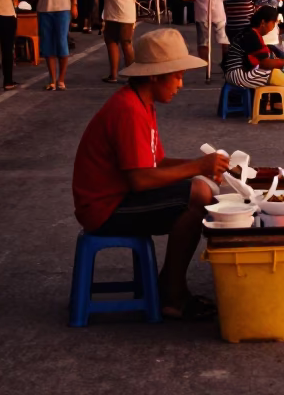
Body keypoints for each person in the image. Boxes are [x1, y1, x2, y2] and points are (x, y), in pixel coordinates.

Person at [72, 28, 228, 320]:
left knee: (199, 189)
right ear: (156, 75)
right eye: (177, 76)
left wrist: (206, 166)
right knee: (198, 194)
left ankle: (169, 285)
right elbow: (141, 179)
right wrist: (198, 168)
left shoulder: (141, 103)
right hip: (104, 207)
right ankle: (172, 292)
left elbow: (157, 161)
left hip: (115, 198)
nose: (181, 84)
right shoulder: (129, 110)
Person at [222, 6, 284, 109]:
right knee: (276, 75)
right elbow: (265, 63)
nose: (274, 27)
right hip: (237, 74)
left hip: (239, 72)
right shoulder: (251, 35)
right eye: (273, 23)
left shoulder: (251, 32)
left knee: (280, 73)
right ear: (263, 22)